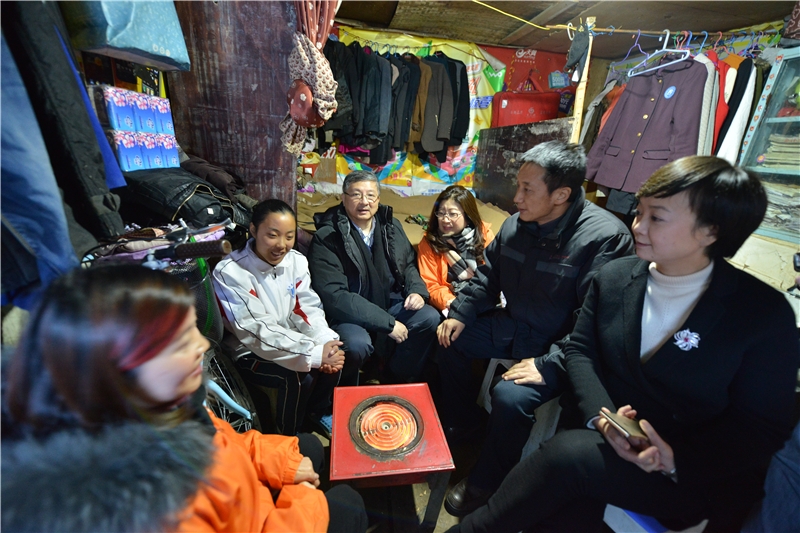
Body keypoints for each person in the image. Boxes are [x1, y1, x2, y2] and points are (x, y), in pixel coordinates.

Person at [448, 156, 799, 533]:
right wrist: (604, 418)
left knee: (567, 460)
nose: (637, 227)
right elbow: (581, 350)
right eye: (639, 212)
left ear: (711, 230)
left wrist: (674, 458)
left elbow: (760, 427)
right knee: (561, 502)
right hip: (600, 434)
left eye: (656, 218)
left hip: (681, 468)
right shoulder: (615, 278)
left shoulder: (761, 314)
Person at [1, 265, 367, 533]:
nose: (203, 345)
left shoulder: (163, 404)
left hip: (249, 502)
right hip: (259, 518)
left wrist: (283, 465)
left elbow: (228, 442)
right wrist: (302, 498)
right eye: (179, 342)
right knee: (347, 503)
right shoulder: (154, 505)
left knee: (305, 448)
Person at [437, 141, 633, 515]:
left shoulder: (605, 238)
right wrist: (460, 313)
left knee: (510, 397)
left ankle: (488, 482)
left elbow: (594, 322)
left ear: (561, 194)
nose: (517, 198)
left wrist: (548, 364)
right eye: (518, 186)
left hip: (561, 346)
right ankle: (464, 423)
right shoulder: (516, 225)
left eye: (527, 189)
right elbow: (487, 278)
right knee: (449, 339)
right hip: (514, 326)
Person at [213, 199, 343, 437]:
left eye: (289, 236)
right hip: (247, 349)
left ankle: (316, 415)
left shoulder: (296, 261)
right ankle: (286, 437)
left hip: (289, 339)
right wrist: (313, 353)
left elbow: (306, 308)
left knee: (336, 354)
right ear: (254, 230)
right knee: (293, 376)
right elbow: (255, 330)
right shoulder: (230, 271)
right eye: (272, 235)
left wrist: (324, 342)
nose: (281, 245)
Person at [308, 169, 440, 385]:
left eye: (370, 195)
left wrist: (416, 290)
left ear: (378, 199)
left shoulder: (391, 226)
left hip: (390, 302)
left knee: (428, 318)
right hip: (349, 312)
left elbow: (408, 264)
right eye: (356, 195)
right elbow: (336, 296)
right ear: (343, 198)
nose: (364, 202)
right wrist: (388, 324)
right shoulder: (328, 236)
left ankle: (396, 379)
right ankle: (347, 391)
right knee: (356, 344)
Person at [417, 185, 495, 314]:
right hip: (452, 303)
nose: (445, 219)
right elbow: (431, 285)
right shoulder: (429, 243)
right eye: (441, 213)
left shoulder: (486, 236)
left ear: (468, 216)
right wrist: (452, 302)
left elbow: (494, 277)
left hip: (483, 299)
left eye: (452, 214)